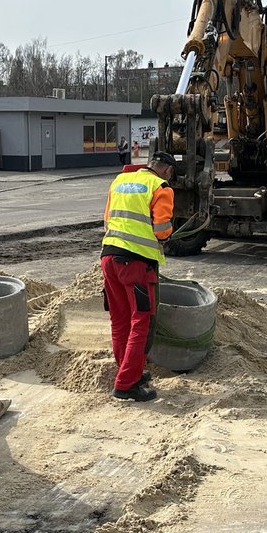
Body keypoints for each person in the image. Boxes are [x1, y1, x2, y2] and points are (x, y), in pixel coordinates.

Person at [100, 151, 176, 402]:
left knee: (120, 320)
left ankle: (127, 370)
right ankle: (125, 384)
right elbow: (162, 230)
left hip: (109, 258)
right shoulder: (161, 187)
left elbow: (107, 220)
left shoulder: (120, 181)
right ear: (167, 170)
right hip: (136, 264)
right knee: (141, 321)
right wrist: (167, 236)